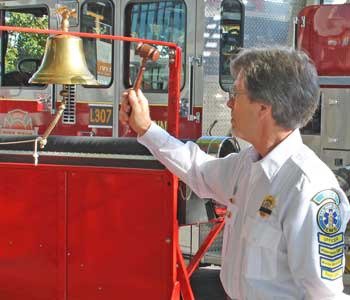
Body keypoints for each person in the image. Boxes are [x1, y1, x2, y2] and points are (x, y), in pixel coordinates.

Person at [119, 47, 350, 299]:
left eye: (236, 93)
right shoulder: (246, 164)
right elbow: (198, 169)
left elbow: (325, 295)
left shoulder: (308, 188)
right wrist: (146, 128)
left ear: (264, 108)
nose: (229, 102)